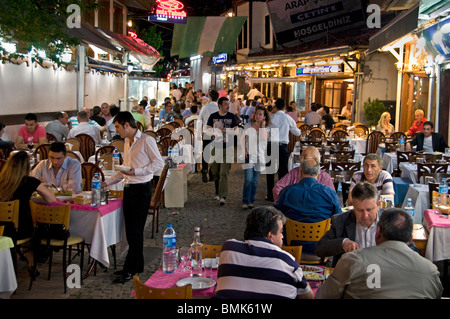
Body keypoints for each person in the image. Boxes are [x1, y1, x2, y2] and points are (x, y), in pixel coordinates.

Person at [316, 207, 443, 299]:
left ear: (378, 233)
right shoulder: (430, 271)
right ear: (410, 239)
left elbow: (323, 296)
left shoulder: (352, 261)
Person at [101, 111, 164, 283]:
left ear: (126, 124)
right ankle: (138, 264)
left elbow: (159, 163)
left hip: (141, 189)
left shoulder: (146, 140)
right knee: (131, 231)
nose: (117, 131)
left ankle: (129, 269)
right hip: (129, 188)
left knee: (135, 231)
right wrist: (107, 182)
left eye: (118, 127)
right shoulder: (128, 141)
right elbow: (125, 169)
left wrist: (137, 171)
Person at [215, 206, 314, 299]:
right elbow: (308, 296)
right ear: (270, 235)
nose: (282, 236)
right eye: (281, 232)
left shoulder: (229, 248)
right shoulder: (288, 261)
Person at [315, 182, 416, 267]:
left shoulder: (391, 220)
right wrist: (342, 243)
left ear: (378, 205)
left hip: (385, 273)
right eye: (360, 210)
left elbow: (413, 251)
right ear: (353, 206)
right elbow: (320, 249)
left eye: (369, 210)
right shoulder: (341, 221)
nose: (365, 215)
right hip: (351, 275)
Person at [0, 151, 57, 272]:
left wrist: (28, 198)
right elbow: (51, 199)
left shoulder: (2, 180)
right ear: (27, 167)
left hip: (2, 229)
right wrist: (32, 198)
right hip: (19, 231)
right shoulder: (30, 182)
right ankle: (32, 263)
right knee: (36, 228)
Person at [274, 158, 342, 259]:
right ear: (319, 174)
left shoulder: (287, 192)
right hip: (320, 248)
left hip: (291, 247)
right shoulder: (329, 193)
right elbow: (338, 217)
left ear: (300, 173)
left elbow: (275, 215)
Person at [265, 98, 301, 202]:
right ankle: (282, 194)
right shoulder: (287, 118)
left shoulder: (270, 117)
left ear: (275, 106)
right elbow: (297, 132)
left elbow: (266, 130)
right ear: (284, 106)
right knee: (283, 172)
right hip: (282, 146)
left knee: (270, 172)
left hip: (271, 145)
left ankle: (270, 195)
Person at [206, 96, 239, 205]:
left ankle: (223, 196)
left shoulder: (231, 116)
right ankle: (217, 192)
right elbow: (207, 130)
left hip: (228, 148)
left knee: (223, 172)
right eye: (225, 104)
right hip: (215, 147)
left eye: (228, 104)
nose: (228, 106)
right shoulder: (213, 116)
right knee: (215, 172)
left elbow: (236, 131)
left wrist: (225, 130)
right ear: (220, 105)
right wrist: (215, 131)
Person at [240, 106, 270, 209]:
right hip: (248, 155)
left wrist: (262, 126)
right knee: (248, 179)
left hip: (260, 157)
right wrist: (243, 150)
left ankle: (251, 199)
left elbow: (263, 139)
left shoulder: (266, 129)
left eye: (260, 114)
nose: (258, 116)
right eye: (257, 114)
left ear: (264, 117)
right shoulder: (248, 126)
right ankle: (245, 200)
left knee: (255, 181)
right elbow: (242, 139)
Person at [197, 90, 219, 183]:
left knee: (205, 152)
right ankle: (212, 173)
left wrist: (198, 133)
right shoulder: (219, 108)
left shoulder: (205, 107)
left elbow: (199, 121)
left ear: (209, 97)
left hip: (207, 132)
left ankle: (204, 170)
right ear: (217, 98)